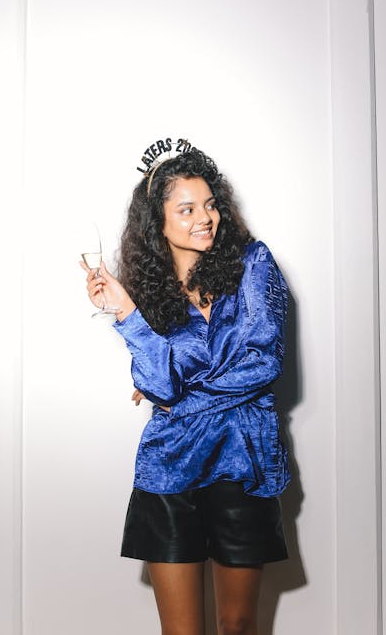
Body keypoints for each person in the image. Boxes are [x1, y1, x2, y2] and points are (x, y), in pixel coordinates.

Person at [80, 147, 290, 635]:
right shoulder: (148, 295)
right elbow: (157, 382)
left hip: (244, 466)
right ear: (159, 222)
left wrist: (177, 397)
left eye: (210, 204)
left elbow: (262, 363)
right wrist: (128, 315)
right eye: (188, 209)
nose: (206, 218)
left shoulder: (253, 264)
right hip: (169, 472)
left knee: (237, 625)